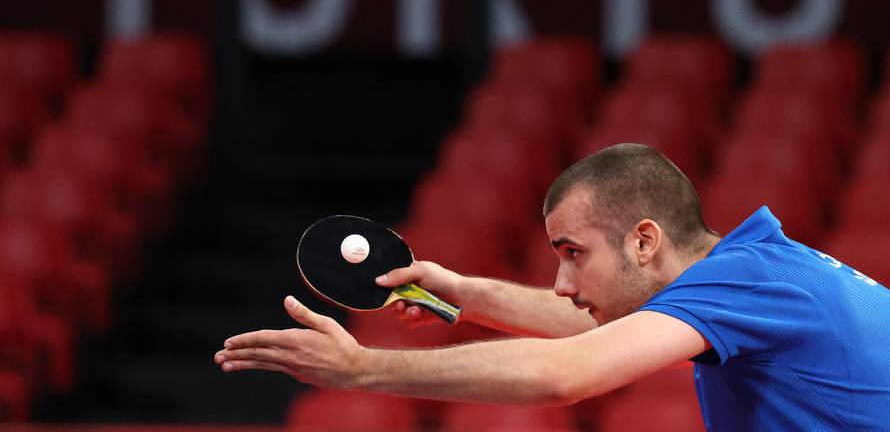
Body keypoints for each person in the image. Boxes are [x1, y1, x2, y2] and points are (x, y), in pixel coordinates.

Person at [215, 143, 890, 431]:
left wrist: (360, 369)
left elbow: (567, 372)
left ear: (645, 240)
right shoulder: (753, 272)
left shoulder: (746, 284)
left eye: (574, 253)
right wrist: (463, 291)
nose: (563, 283)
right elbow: (601, 327)